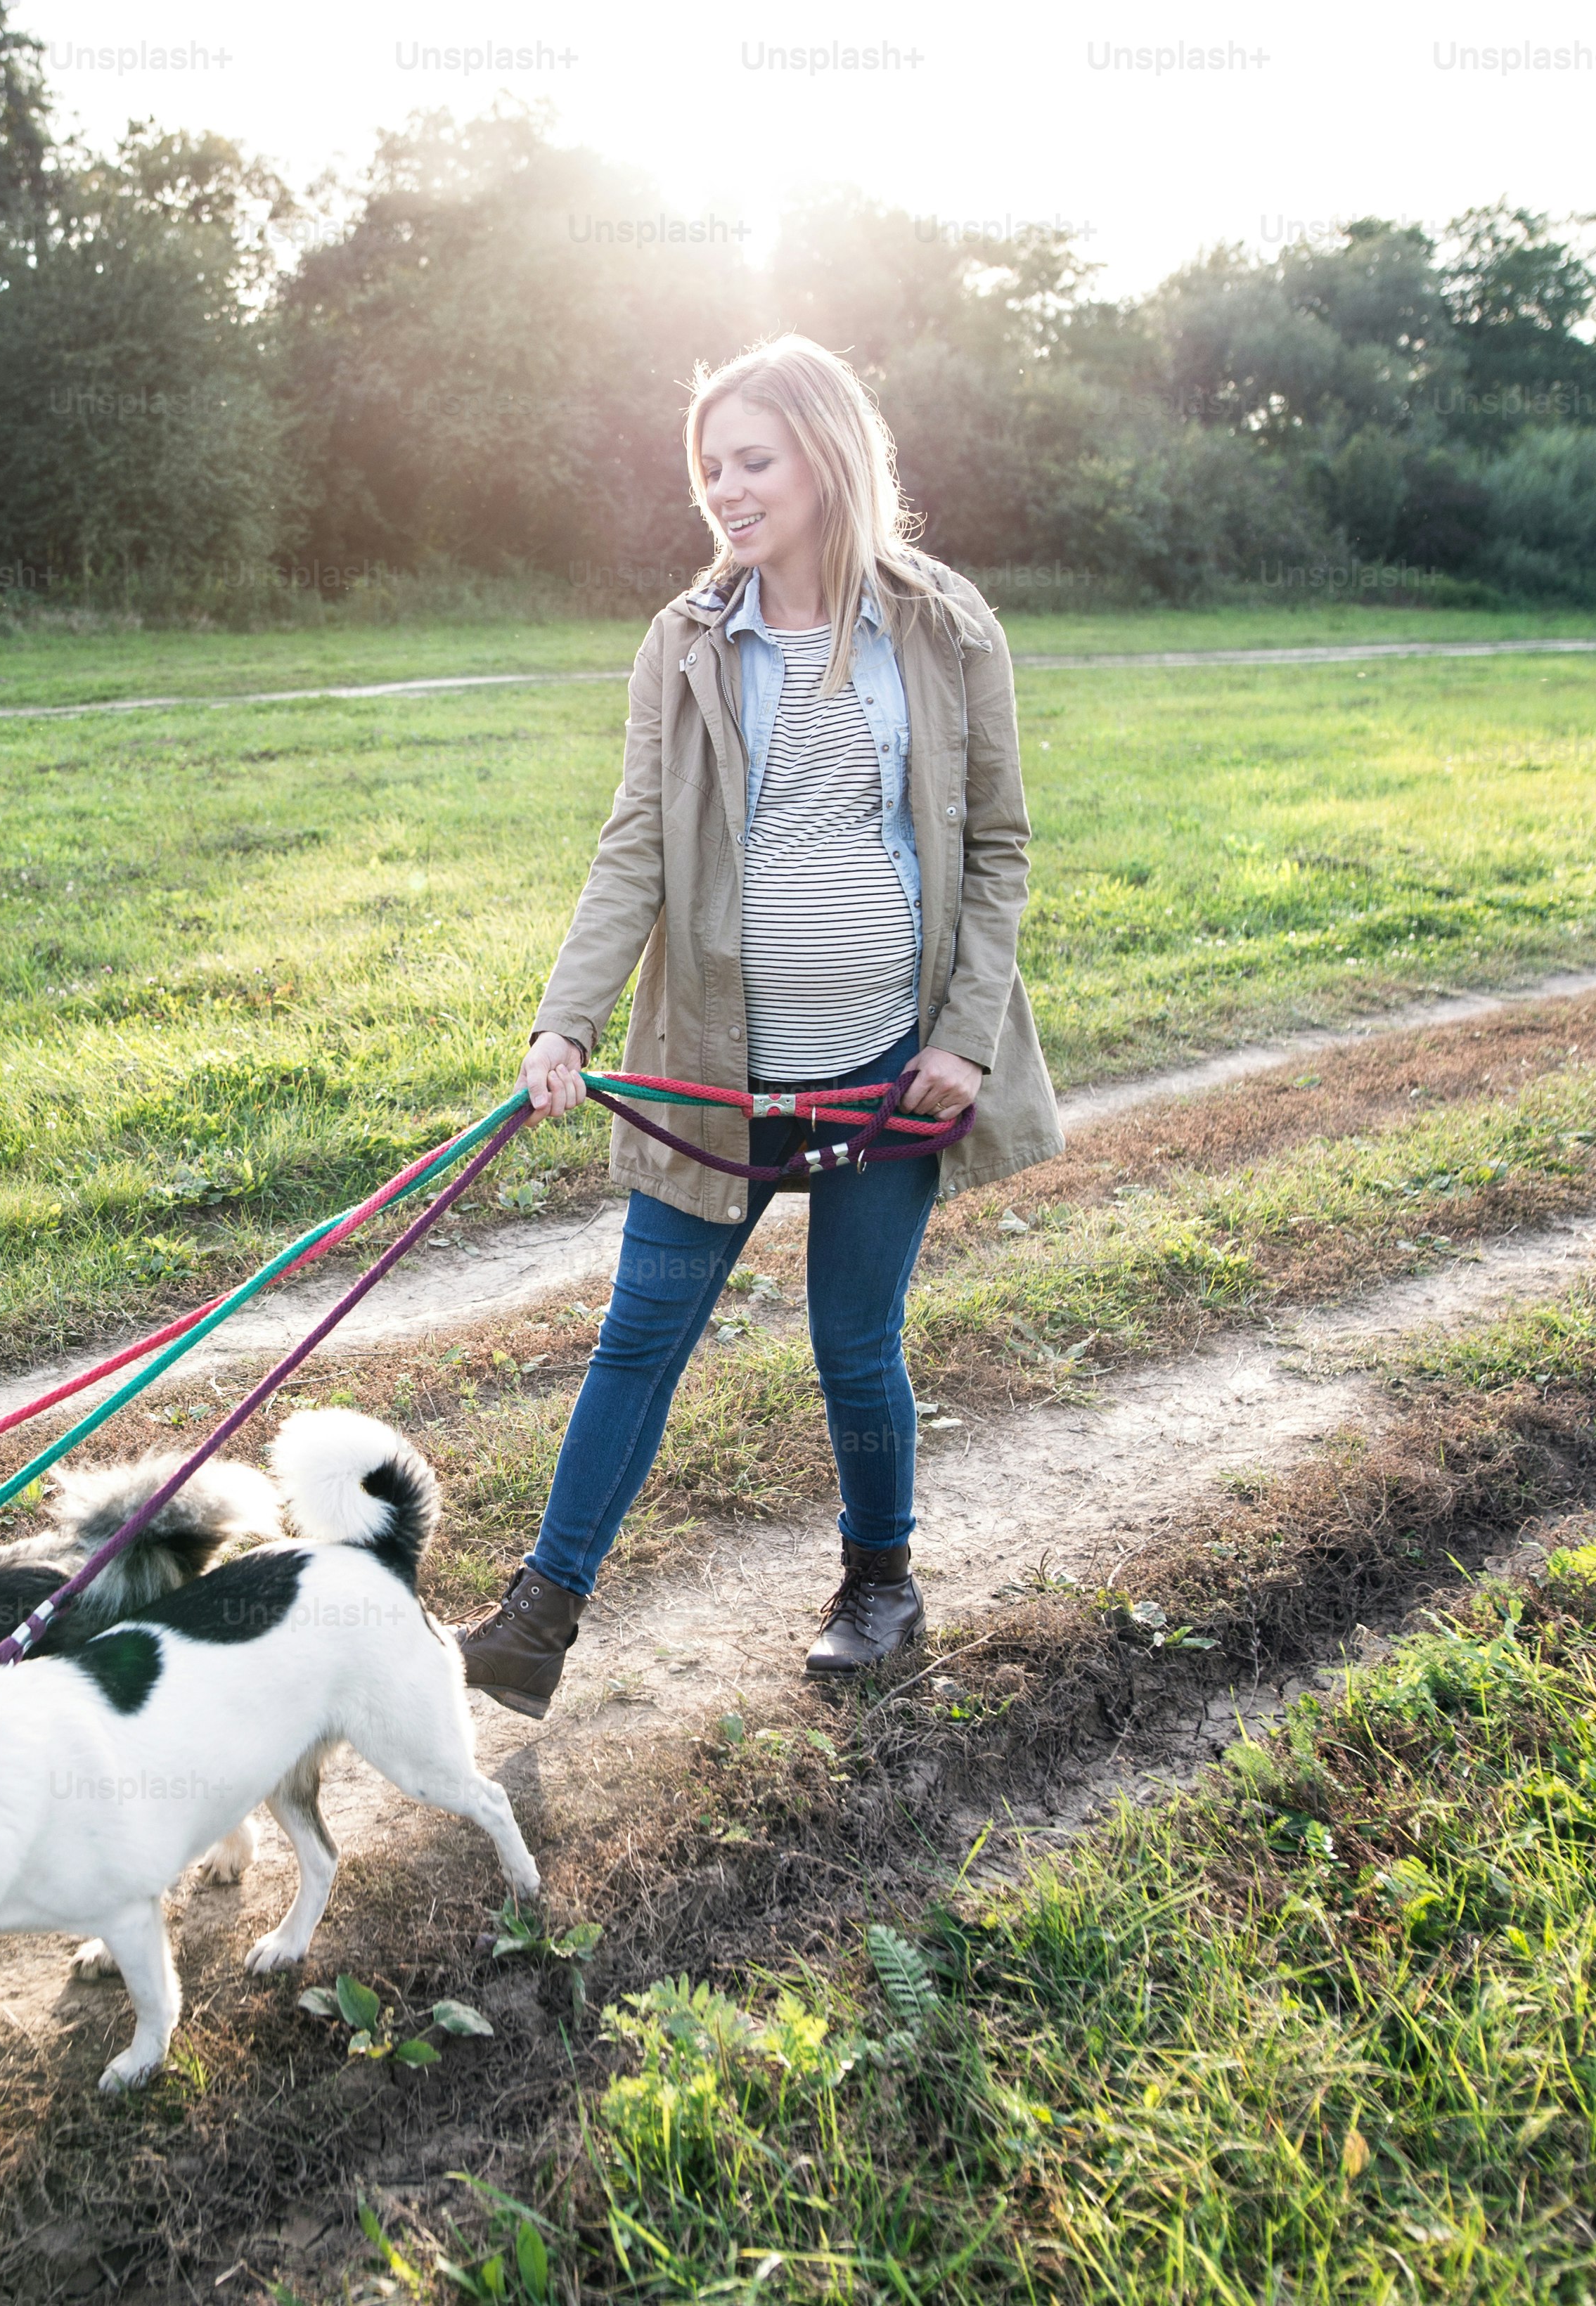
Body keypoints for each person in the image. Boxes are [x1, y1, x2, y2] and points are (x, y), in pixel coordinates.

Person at [453, 335, 1062, 1717]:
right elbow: (631, 850)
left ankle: (880, 1586)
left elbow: (998, 847)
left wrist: (961, 1039)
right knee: (640, 1327)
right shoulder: (684, 642)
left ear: (827, 456)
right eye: (708, 467)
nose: (724, 489)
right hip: (710, 1072)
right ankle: (539, 1617)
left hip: (883, 1070)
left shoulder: (946, 626)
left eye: (753, 460)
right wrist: (566, 1020)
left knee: (854, 1337)